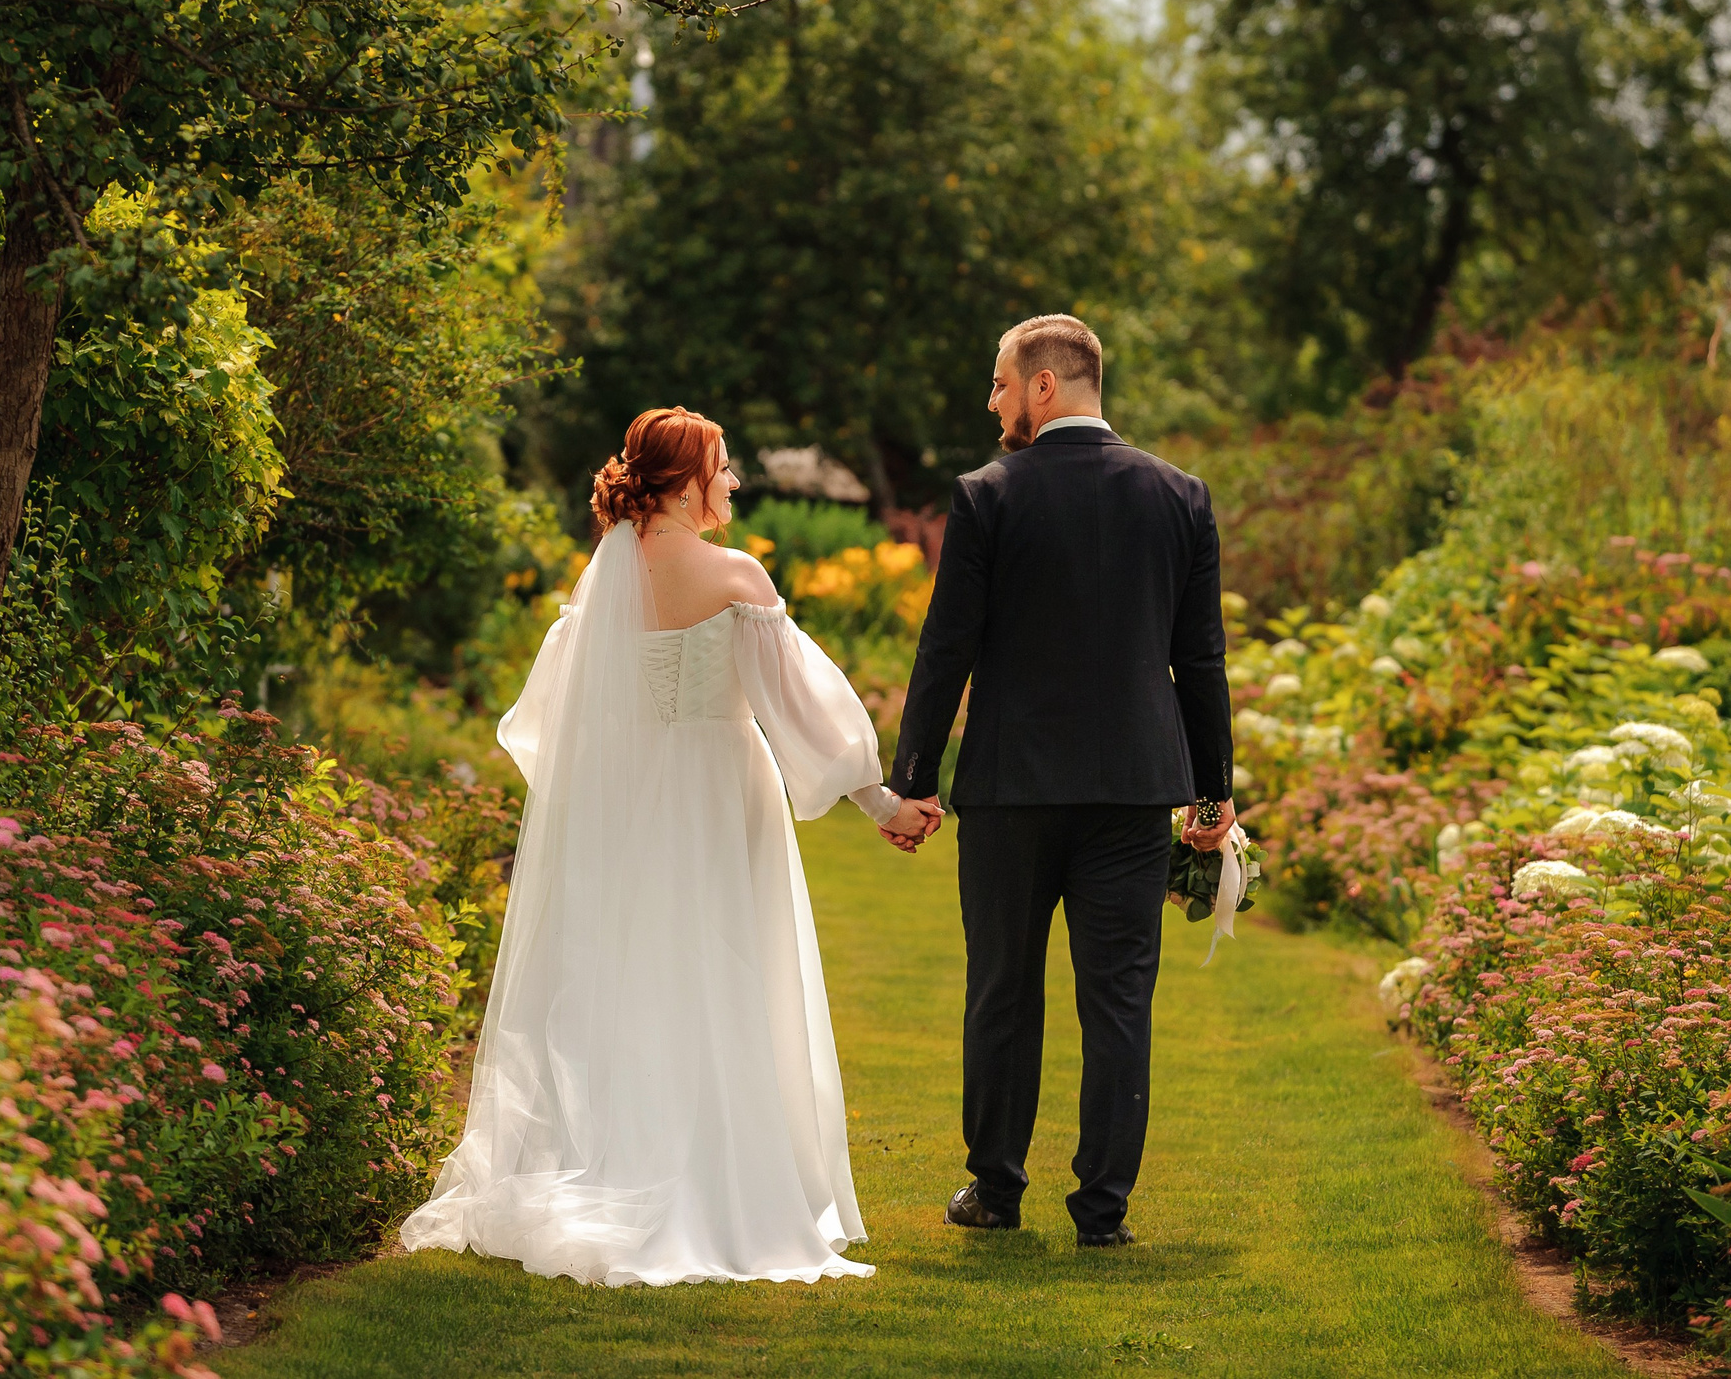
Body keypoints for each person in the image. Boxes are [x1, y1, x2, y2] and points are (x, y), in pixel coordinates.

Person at [398, 407, 944, 1286]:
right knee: (725, 980)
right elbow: (796, 705)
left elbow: (548, 722)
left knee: (629, 980)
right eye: (723, 468)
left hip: (626, 800)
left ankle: (617, 1164)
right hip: (720, 795)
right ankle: (714, 1185)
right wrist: (879, 799)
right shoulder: (734, 575)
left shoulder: (602, 580)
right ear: (687, 479)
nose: (732, 483)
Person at [888, 314, 1235, 1249]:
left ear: (1044, 386)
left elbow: (946, 648)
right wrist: (1212, 793)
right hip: (1132, 792)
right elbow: (1199, 658)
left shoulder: (986, 495)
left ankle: (995, 1190)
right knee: (1118, 996)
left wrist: (913, 778)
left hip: (1011, 790)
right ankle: (1103, 1212)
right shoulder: (1180, 495)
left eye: (1000, 383)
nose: (993, 400)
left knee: (1003, 986)